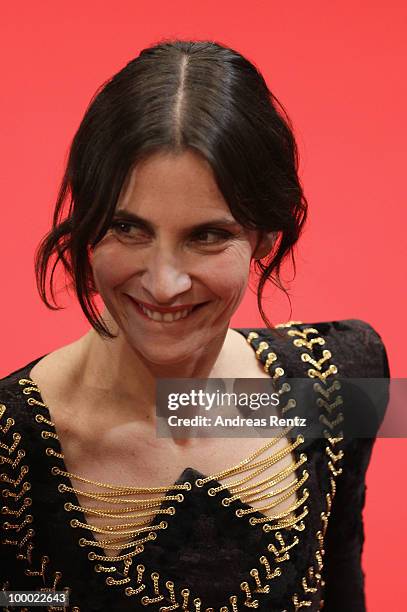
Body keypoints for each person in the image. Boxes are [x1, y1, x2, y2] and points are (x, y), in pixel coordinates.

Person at [0, 39, 389, 612]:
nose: (163, 283)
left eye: (206, 235)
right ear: (83, 226)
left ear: (266, 238)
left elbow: (342, 588)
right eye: (127, 228)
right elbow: (21, 602)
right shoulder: (12, 448)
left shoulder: (341, 380)